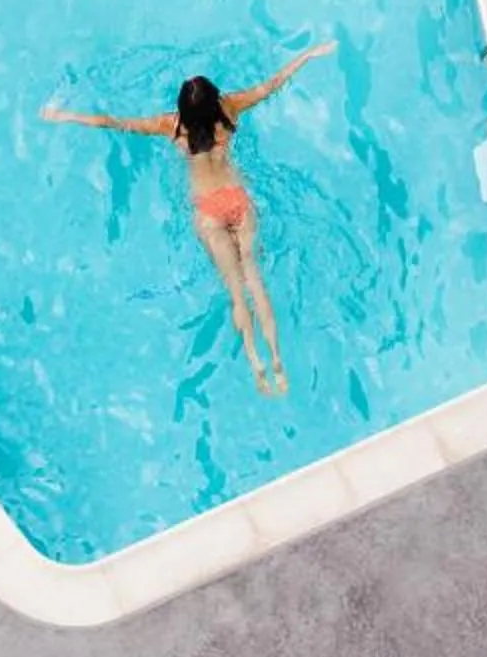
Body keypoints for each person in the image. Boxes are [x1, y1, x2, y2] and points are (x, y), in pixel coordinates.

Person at [42, 42, 336, 395]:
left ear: (183, 107)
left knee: (237, 294)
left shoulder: (172, 126)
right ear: (214, 100)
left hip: (209, 209)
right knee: (254, 277)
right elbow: (272, 83)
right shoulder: (230, 108)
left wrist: (64, 115)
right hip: (237, 199)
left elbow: (115, 123)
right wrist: (308, 54)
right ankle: (277, 359)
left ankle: (257, 365)